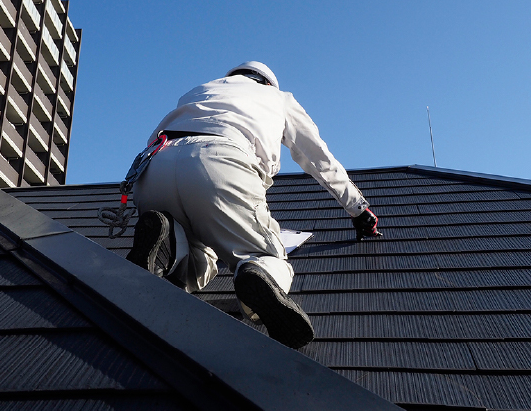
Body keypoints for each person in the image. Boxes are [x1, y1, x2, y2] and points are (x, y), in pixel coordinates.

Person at [127, 61, 379, 349]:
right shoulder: (278, 98)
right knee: (265, 257)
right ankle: (257, 273)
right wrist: (358, 209)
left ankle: (169, 240)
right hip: (220, 163)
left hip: (152, 169)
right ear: (268, 83)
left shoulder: (200, 90)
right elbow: (318, 157)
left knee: (200, 259)